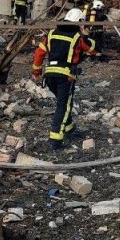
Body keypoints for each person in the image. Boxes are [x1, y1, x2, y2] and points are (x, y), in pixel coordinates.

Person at [32, 8, 98, 150]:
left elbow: (39, 53)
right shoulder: (77, 37)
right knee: (63, 106)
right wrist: (86, 34)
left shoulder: (51, 34)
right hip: (65, 77)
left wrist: (36, 71)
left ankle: (69, 128)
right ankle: (55, 139)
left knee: (64, 101)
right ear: (80, 22)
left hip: (50, 76)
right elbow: (93, 49)